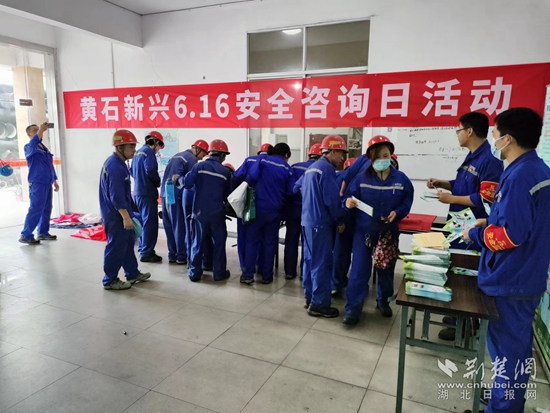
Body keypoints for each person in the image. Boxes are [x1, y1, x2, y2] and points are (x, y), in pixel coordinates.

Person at [462, 107, 550, 413]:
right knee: (515, 352)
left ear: (508, 139)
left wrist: (475, 234)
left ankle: (503, 408)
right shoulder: (535, 169)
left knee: (508, 355)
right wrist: (489, 223)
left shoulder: (520, 176)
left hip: (512, 278)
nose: (493, 140)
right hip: (525, 275)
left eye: (495, 134)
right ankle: (507, 401)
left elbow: (512, 235)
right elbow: (523, 220)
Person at [427, 112, 503, 341]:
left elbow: (485, 198)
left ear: (469, 131)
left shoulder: (489, 161)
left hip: (473, 228)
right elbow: (463, 185)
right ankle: (457, 316)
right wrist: (443, 183)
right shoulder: (472, 157)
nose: (457, 134)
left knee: (466, 276)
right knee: (456, 270)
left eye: (458, 130)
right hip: (458, 225)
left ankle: (465, 326)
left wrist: (452, 199)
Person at [343, 136, 414, 324]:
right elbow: (348, 197)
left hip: (388, 232)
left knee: (386, 270)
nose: (383, 160)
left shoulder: (401, 179)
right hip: (364, 232)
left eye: (386, 155)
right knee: (359, 270)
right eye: (378, 156)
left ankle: (383, 301)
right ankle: (353, 309)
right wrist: (347, 202)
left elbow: (407, 200)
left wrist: (397, 213)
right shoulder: (361, 178)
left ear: (391, 156)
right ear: (370, 158)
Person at [300, 135, 347, 317]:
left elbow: (299, 189)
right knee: (321, 263)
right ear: (333, 151)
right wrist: (340, 220)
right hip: (320, 224)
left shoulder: (312, 168)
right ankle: (319, 304)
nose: (342, 158)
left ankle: (310, 296)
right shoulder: (327, 169)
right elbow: (332, 200)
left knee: (309, 261)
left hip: (307, 221)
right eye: (341, 153)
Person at [100, 130, 151, 290]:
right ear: (119, 147)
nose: (134, 150)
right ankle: (110, 280)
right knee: (116, 246)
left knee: (128, 244)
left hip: (123, 213)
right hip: (116, 216)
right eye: (131, 146)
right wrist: (125, 217)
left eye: (134, 146)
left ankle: (132, 273)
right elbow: (116, 196)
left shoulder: (120, 164)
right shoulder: (115, 166)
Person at [239, 142, 295, 285]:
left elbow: (251, 177)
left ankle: (248, 275)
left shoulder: (262, 160)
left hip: (257, 207)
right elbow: (291, 191)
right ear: (286, 155)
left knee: (252, 241)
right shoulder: (287, 168)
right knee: (270, 242)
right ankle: (267, 276)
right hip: (275, 210)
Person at [183, 139, 232, 282]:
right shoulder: (225, 172)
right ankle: (219, 273)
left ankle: (194, 274)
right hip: (217, 214)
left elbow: (187, 183)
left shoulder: (199, 166)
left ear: (210, 153)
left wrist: (177, 179)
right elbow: (228, 195)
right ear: (222, 155)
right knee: (219, 244)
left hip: (199, 213)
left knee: (197, 243)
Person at [161, 139, 209, 264]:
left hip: (165, 194)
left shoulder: (177, 155)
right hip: (177, 194)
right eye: (203, 154)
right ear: (197, 149)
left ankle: (172, 254)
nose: (201, 158)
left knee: (169, 226)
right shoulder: (191, 159)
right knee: (179, 225)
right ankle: (181, 256)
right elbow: (189, 182)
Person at [232, 143, 274, 271]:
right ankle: (262, 267)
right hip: (268, 207)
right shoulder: (274, 164)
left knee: (245, 237)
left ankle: (245, 266)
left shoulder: (249, 160)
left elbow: (236, 177)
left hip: (247, 205)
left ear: (258, 152)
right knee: (266, 240)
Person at [283, 143, 322, 280]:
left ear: (309, 155)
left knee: (291, 240)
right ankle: (304, 273)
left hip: (293, 209)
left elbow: (290, 188)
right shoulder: (321, 169)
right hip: (310, 212)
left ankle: (289, 272)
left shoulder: (295, 166)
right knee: (307, 244)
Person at [19, 122, 59, 244]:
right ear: (29, 134)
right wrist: (41, 131)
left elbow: (49, 165)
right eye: (35, 130)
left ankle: (42, 232)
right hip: (37, 182)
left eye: (38, 129)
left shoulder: (44, 148)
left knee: (47, 208)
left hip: (47, 182)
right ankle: (26, 234)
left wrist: (54, 180)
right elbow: (33, 144)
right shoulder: (29, 147)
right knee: (36, 208)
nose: (38, 131)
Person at [131, 131, 164, 263]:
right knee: (150, 223)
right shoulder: (149, 153)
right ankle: (147, 252)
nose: (158, 150)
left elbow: (132, 172)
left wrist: (140, 179)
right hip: (147, 193)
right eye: (159, 146)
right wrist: (157, 182)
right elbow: (150, 170)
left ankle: (143, 248)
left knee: (142, 222)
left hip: (137, 193)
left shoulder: (137, 153)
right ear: (156, 142)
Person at [331, 156, 357, 295]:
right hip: (352, 218)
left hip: (338, 217)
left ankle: (336, 282)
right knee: (348, 253)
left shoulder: (336, 176)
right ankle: (340, 281)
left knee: (340, 251)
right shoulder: (359, 178)